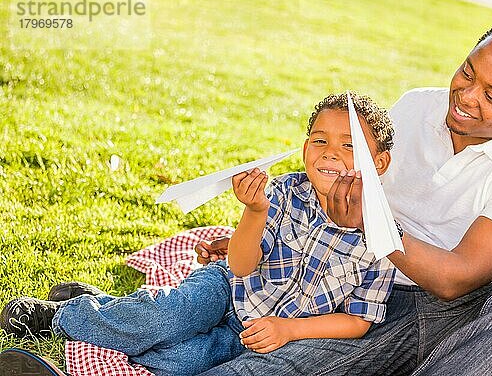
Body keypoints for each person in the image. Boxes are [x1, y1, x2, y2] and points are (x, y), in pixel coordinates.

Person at [189, 18, 492, 376]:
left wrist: (371, 224)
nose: (467, 96)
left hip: (453, 317)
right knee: (258, 364)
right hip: (355, 289)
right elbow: (339, 190)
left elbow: (455, 280)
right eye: (467, 73)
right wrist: (266, 239)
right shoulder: (417, 106)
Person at [0, 92, 397, 376]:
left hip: (256, 332)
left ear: (379, 163)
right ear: (304, 145)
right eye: (320, 140)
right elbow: (241, 264)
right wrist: (255, 211)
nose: (329, 152)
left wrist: (289, 329)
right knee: (161, 319)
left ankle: (102, 304)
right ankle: (62, 316)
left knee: (173, 362)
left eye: (350, 146)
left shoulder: (386, 239)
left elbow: (358, 321)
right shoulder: (285, 191)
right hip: (226, 287)